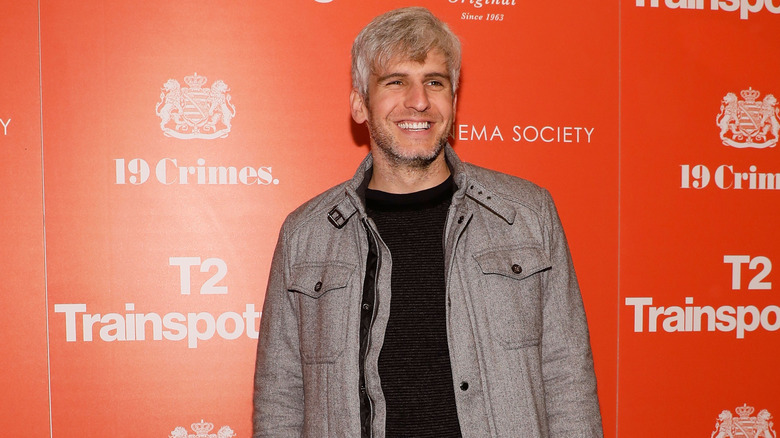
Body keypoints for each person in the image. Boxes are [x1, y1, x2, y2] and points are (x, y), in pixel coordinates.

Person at [253, 6, 603, 438]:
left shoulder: (527, 215)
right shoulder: (306, 235)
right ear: (360, 104)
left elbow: (569, 382)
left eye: (434, 82)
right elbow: (281, 399)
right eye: (396, 81)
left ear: (454, 101)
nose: (418, 100)